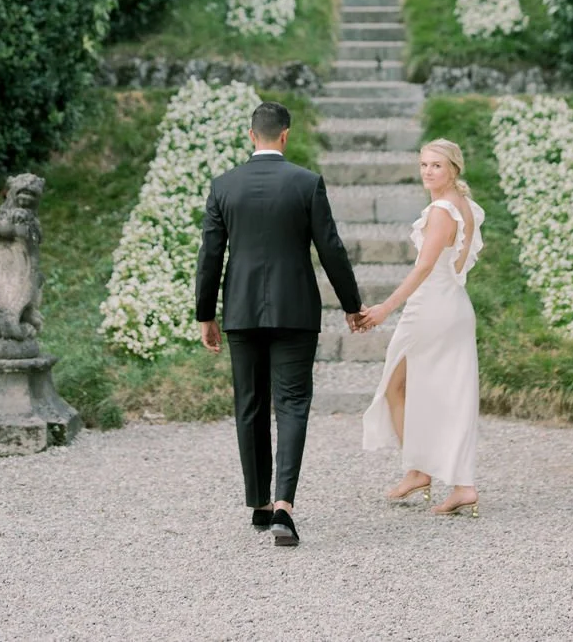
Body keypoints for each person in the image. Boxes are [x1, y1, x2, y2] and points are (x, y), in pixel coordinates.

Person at [196, 100, 366, 547]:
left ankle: (258, 502)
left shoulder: (224, 186)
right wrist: (352, 304)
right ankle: (284, 508)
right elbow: (331, 248)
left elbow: (210, 255)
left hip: (241, 311)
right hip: (295, 311)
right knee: (291, 404)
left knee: (250, 403)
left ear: (252, 135)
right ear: (284, 135)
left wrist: (205, 314)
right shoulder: (306, 183)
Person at [360, 138, 484, 516]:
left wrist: (385, 307)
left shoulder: (442, 210)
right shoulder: (465, 206)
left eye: (437, 165)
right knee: (444, 393)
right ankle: (447, 480)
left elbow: (425, 266)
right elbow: (459, 264)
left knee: (395, 386)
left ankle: (423, 471)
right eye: (424, 165)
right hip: (454, 306)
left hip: (431, 309)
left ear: (453, 169)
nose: (428, 172)